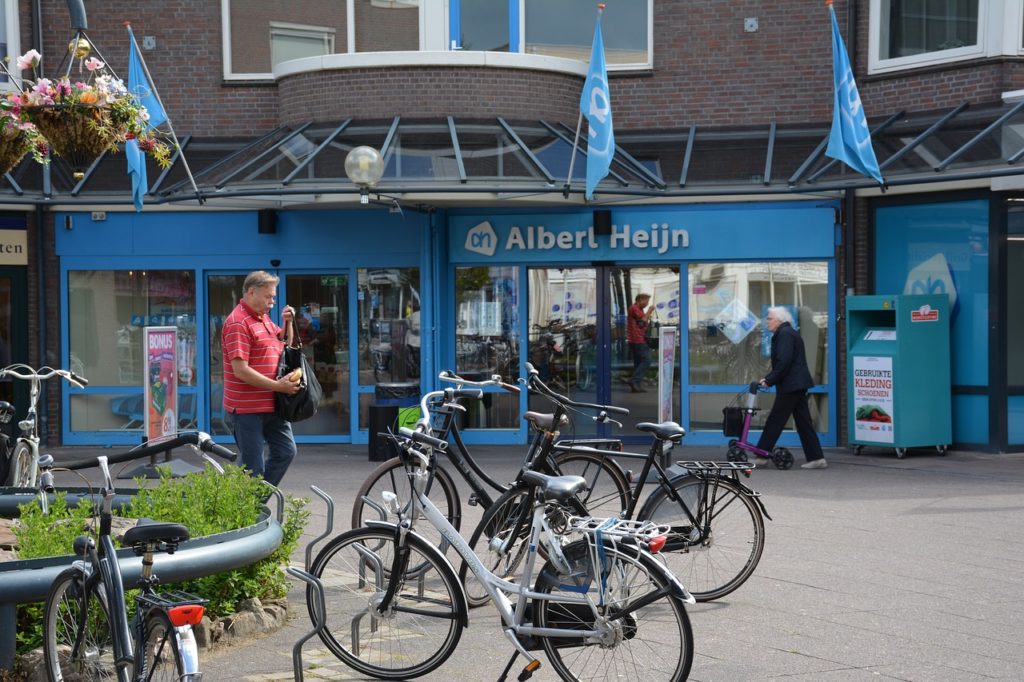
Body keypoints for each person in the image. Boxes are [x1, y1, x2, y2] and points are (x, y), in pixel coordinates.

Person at [222, 270, 301, 486]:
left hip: (271, 404)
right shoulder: (238, 323)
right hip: (247, 410)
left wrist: (288, 323)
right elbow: (240, 370)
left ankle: (254, 507)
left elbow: (283, 342)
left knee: (286, 451)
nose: (273, 302)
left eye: (273, 297)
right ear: (251, 292)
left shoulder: (262, 318)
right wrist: (278, 385)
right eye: (268, 297)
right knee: (252, 468)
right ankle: (236, 508)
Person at [757, 306, 827, 469]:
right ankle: (817, 458)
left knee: (775, 420)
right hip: (795, 384)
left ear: (779, 320)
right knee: (804, 423)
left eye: (770, 318)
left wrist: (769, 380)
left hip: (791, 385)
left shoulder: (785, 335)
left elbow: (784, 361)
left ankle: (761, 455)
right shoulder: (786, 333)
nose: (767, 321)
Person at [625, 292, 654, 392]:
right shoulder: (634, 308)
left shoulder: (640, 309)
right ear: (640, 300)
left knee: (638, 362)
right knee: (647, 360)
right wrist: (649, 311)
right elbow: (643, 320)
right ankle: (634, 380)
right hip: (637, 339)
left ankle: (636, 385)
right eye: (646, 300)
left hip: (637, 339)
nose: (647, 303)